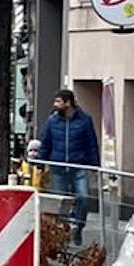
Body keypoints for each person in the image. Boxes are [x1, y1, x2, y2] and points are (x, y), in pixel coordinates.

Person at [38, 89, 100, 244]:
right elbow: (46, 143)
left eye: (59, 101)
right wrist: (40, 161)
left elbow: (91, 144)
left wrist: (95, 165)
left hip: (78, 166)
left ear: (68, 103)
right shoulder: (52, 121)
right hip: (58, 167)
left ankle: (77, 226)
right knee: (61, 202)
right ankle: (63, 233)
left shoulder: (85, 121)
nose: (55, 104)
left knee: (83, 197)